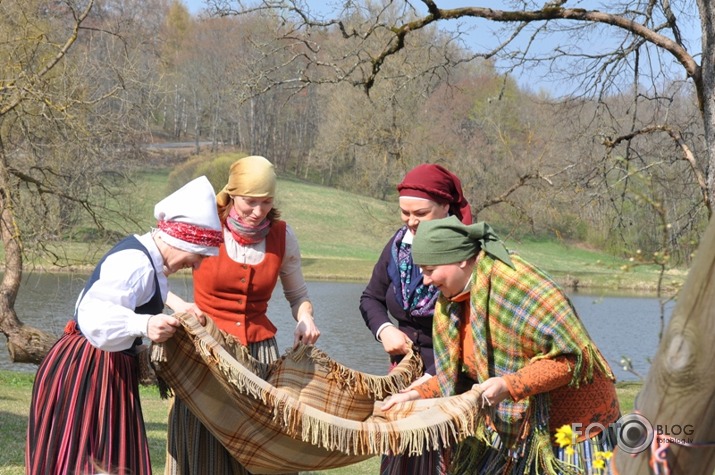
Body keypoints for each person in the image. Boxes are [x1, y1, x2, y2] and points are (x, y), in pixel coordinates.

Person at [382, 216, 621, 475]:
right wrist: (414, 394)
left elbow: (573, 360)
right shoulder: (450, 303)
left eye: (430, 269)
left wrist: (509, 385)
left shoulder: (518, 284)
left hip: (574, 428)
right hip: (515, 427)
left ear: (461, 259)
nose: (426, 280)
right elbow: (459, 373)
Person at [25, 176, 224, 475]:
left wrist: (179, 306)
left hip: (102, 368)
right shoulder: (137, 263)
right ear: (181, 241)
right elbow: (93, 315)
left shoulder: (148, 257)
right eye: (197, 256)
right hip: (89, 371)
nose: (196, 265)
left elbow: (144, 289)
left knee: (105, 459)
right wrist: (144, 324)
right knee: (92, 461)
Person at [164, 155, 320, 474]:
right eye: (250, 201)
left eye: (266, 202)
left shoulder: (283, 236)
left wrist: (306, 318)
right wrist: (180, 308)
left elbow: (298, 295)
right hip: (205, 352)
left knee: (258, 450)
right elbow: (153, 274)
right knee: (203, 442)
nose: (258, 211)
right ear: (233, 193)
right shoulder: (205, 225)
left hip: (260, 355)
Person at [359, 163, 471, 475]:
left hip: (453, 370)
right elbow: (371, 298)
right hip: (404, 368)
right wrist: (384, 331)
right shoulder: (396, 247)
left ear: (445, 206)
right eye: (405, 213)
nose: (411, 222)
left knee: (442, 458)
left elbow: (471, 326)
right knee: (399, 457)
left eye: (420, 214)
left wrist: (437, 376)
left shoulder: (465, 254)